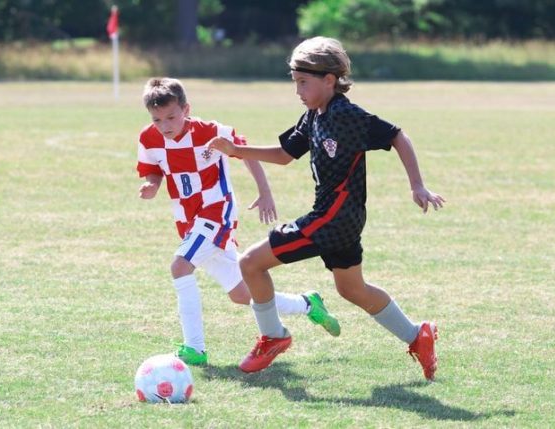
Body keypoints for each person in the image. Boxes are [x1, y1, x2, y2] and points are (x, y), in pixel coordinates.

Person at [208, 37, 446, 379]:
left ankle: (273, 336)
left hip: (332, 219)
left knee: (250, 263)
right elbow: (285, 154)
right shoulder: (313, 115)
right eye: (295, 82)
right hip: (341, 219)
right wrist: (235, 151)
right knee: (352, 289)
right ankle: (417, 335)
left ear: (329, 80)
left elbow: (397, 135)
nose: (298, 90)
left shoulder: (347, 115)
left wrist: (417, 185)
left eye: (303, 82)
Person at [137, 77, 341, 366]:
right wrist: (152, 185)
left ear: (186, 109)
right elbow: (153, 169)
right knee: (241, 293)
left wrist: (265, 192)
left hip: (216, 212)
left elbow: (244, 152)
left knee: (180, 266)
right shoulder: (149, 138)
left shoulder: (211, 131)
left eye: (171, 117)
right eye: (157, 120)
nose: (165, 125)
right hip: (187, 219)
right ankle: (307, 304)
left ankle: (195, 348)